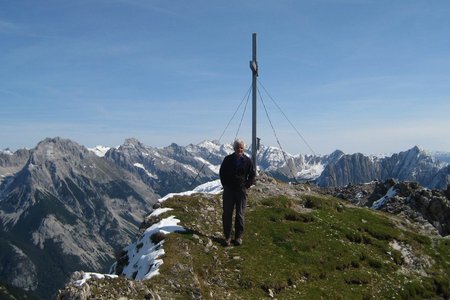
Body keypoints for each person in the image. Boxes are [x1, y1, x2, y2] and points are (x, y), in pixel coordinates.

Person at [219, 139, 256, 246]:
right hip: (229, 190)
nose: (239, 149)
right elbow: (222, 173)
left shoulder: (248, 161)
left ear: (243, 149)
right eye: (237, 147)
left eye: (241, 148)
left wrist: (247, 185)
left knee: (240, 214)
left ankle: (238, 237)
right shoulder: (228, 159)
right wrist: (225, 185)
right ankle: (227, 237)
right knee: (227, 214)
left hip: (241, 191)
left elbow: (252, 175)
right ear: (234, 148)